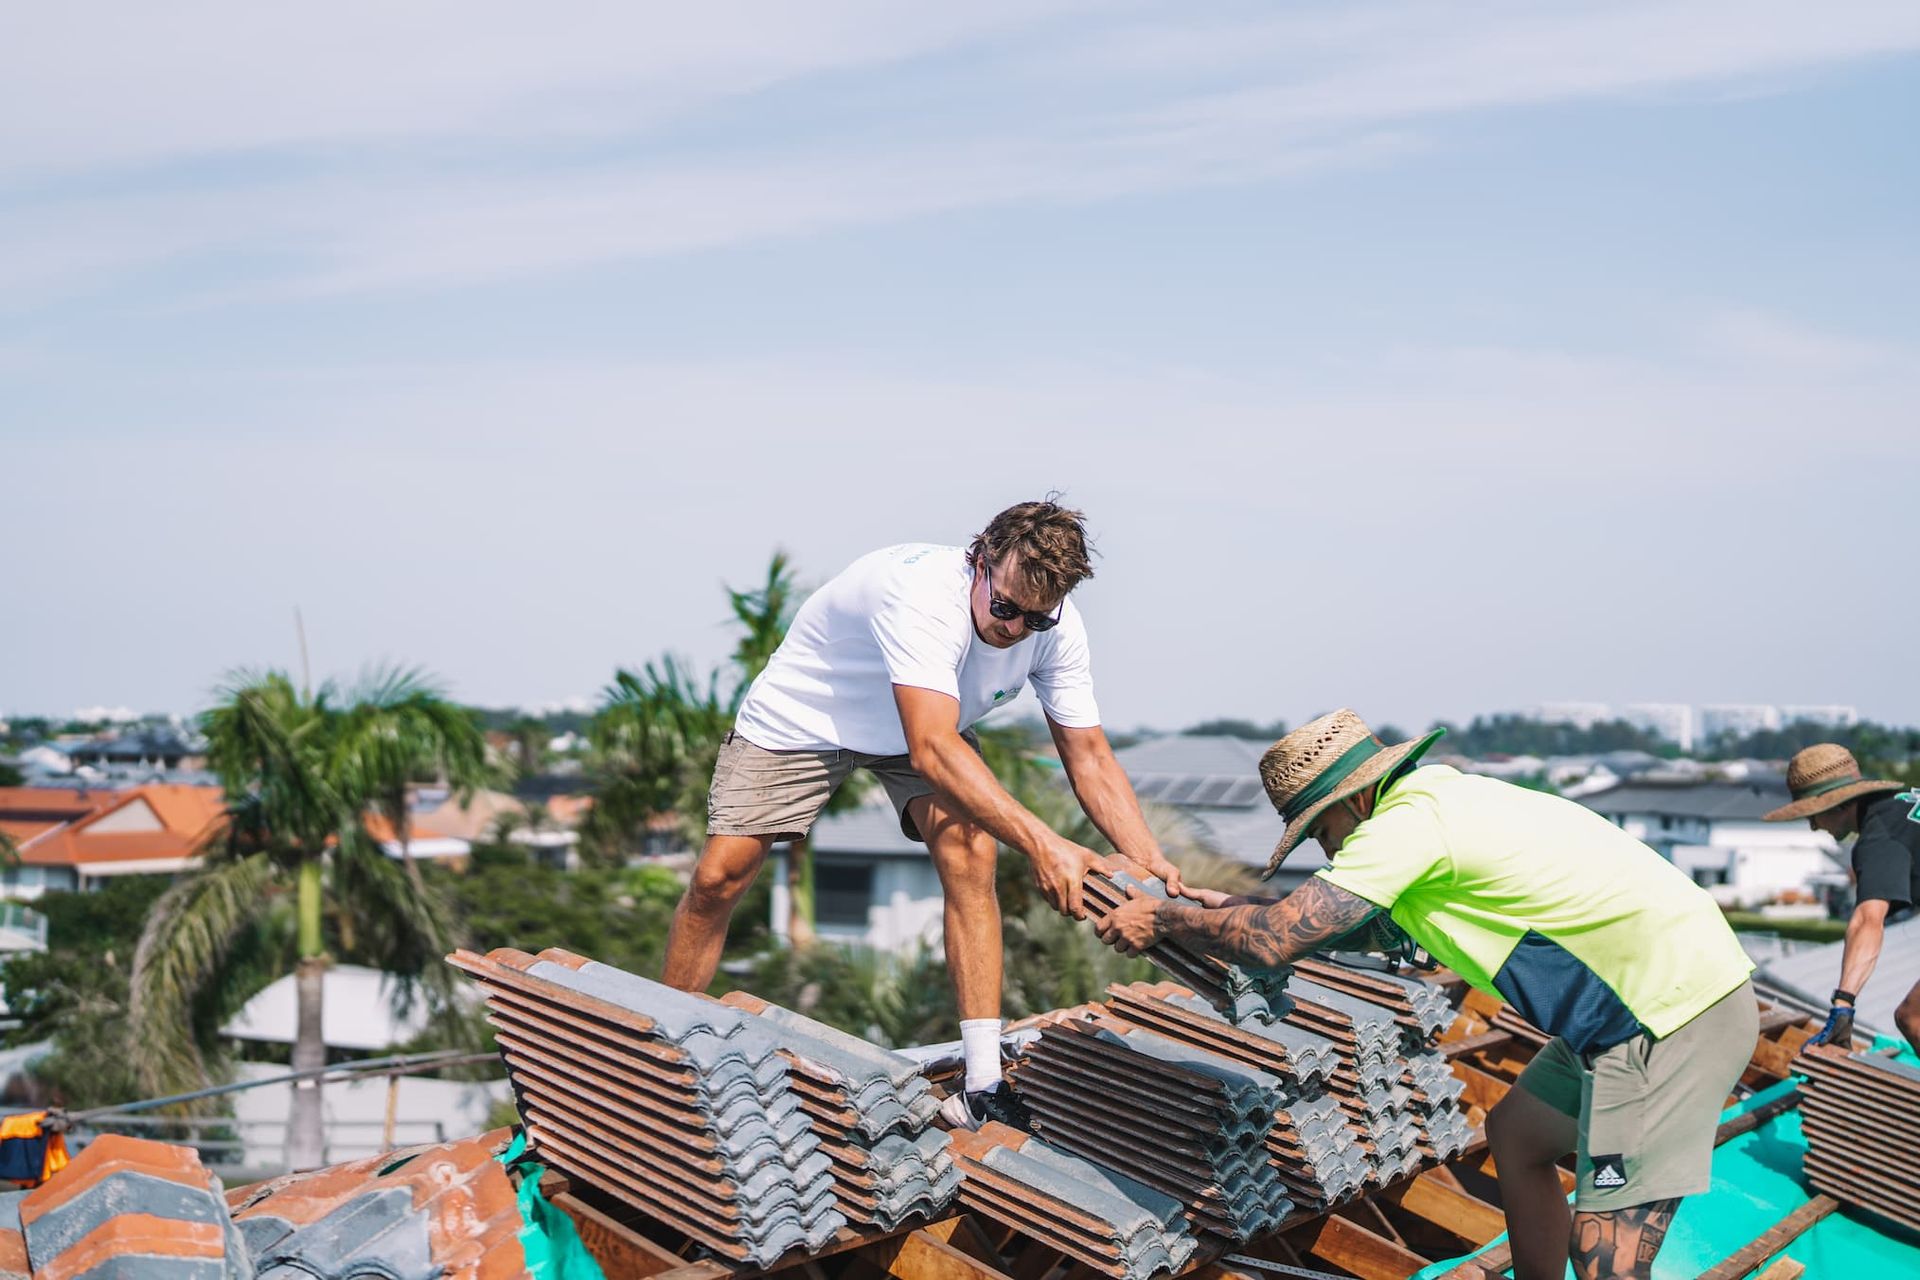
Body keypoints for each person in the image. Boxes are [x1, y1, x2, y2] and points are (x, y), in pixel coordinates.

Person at [1097, 709, 1757, 1280]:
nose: (1328, 854)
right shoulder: (1438, 802)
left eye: (1321, 836)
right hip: (1636, 1001)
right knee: (1519, 1134)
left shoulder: (1400, 830)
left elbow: (1276, 941)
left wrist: (1164, 920)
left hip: (1664, 1019)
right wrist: (1237, 907)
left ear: (1353, 803)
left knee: (1606, 1257)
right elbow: (1364, 921)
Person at [662, 499, 1189, 1129]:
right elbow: (934, 750)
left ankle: (984, 1085)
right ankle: (667, 1050)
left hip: (927, 730)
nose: (1015, 630)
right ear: (980, 560)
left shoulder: (1056, 627)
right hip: (809, 719)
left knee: (973, 852)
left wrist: (1149, 860)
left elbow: (1092, 759)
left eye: (1034, 621)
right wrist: (1049, 847)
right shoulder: (919, 596)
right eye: (1003, 609)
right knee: (721, 877)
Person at [1762, 743, 1920, 1054]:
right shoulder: (1900, 809)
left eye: (1813, 814)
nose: (1812, 826)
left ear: (1838, 805)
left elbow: (1866, 920)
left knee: (1913, 1018)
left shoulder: (1880, 837)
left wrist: (1843, 1005)